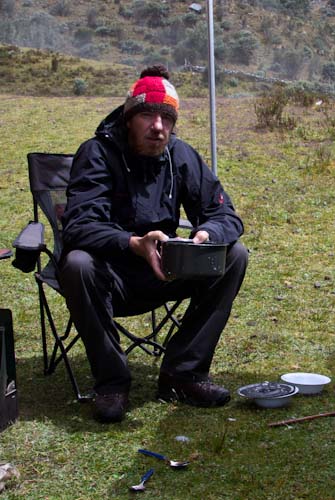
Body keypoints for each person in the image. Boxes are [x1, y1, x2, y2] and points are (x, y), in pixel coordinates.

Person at [58, 65, 248, 423]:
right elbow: (79, 227)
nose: (157, 127)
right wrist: (132, 243)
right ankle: (112, 382)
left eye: (166, 117)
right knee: (77, 263)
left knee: (233, 255)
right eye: (147, 115)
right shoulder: (97, 153)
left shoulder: (181, 156)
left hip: (166, 270)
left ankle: (183, 373)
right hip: (109, 276)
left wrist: (207, 235)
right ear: (129, 118)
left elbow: (227, 216)